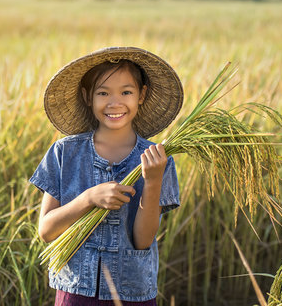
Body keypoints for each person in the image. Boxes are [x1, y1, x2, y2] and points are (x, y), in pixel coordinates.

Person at [29, 47, 184, 305]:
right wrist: (89, 198)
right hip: (75, 292)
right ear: (87, 96)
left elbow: (143, 240)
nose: (115, 103)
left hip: (132, 293)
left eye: (126, 92)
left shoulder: (157, 159)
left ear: (141, 95)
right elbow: (46, 231)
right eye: (103, 93)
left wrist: (153, 181)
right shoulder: (64, 153)